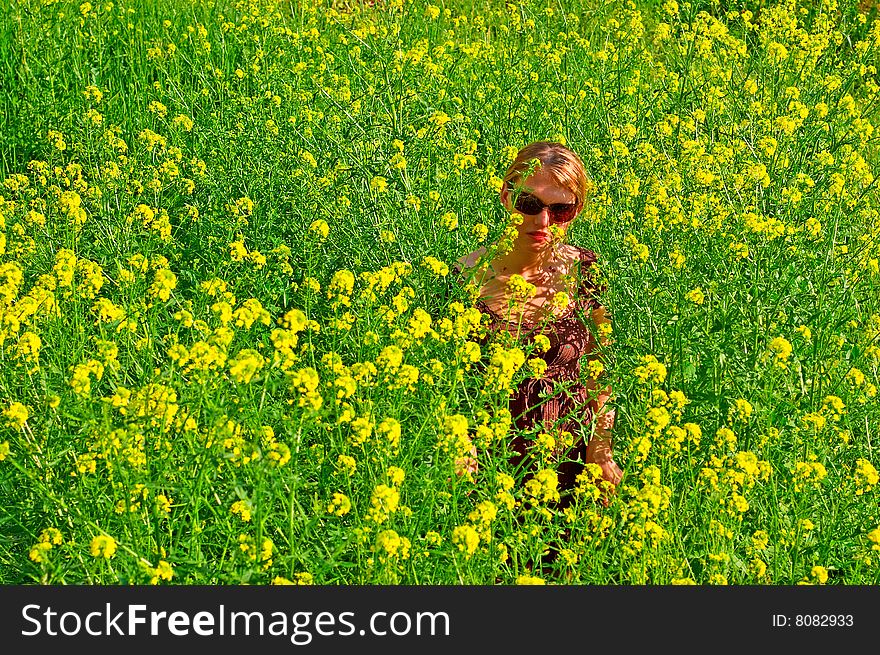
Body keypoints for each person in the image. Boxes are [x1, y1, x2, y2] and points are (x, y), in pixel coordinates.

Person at [453, 141, 622, 502]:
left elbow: (599, 369)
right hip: (489, 469)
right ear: (505, 196)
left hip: (572, 464)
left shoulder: (586, 272)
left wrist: (601, 449)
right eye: (529, 204)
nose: (542, 221)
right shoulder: (463, 280)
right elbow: (446, 381)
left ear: (575, 212)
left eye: (560, 209)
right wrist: (458, 444)